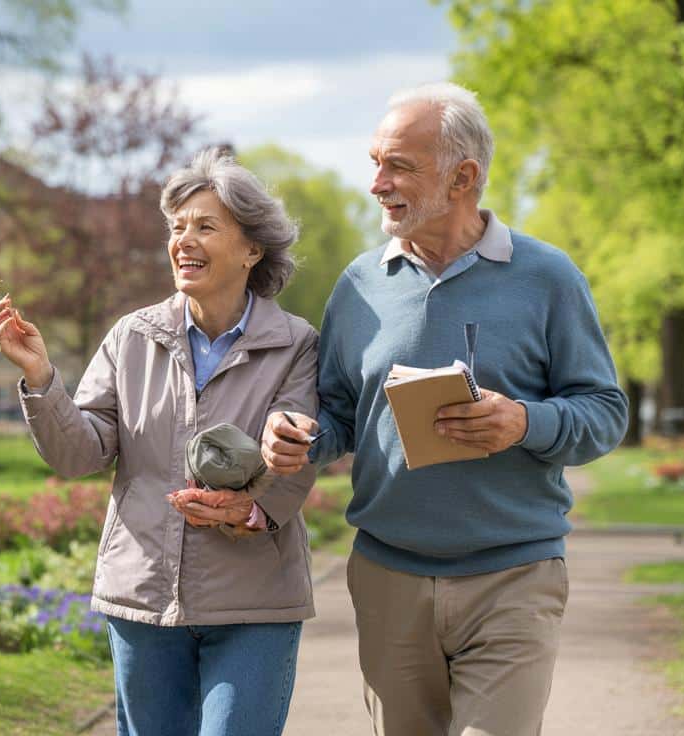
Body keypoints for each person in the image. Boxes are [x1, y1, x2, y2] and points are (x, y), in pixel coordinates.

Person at [262, 82, 628, 735]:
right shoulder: (359, 286)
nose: (377, 182)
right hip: (388, 576)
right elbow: (340, 415)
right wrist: (301, 436)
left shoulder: (548, 277)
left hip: (514, 576)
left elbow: (604, 412)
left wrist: (524, 421)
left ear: (464, 177)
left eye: (398, 164)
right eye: (375, 161)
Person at [0, 148, 319, 736]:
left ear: (251, 250)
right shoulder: (133, 337)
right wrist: (41, 379)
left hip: (254, 602)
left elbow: (296, 452)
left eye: (205, 226)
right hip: (142, 597)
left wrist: (248, 508)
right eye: (177, 228)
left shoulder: (296, 344)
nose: (183, 240)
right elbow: (79, 453)